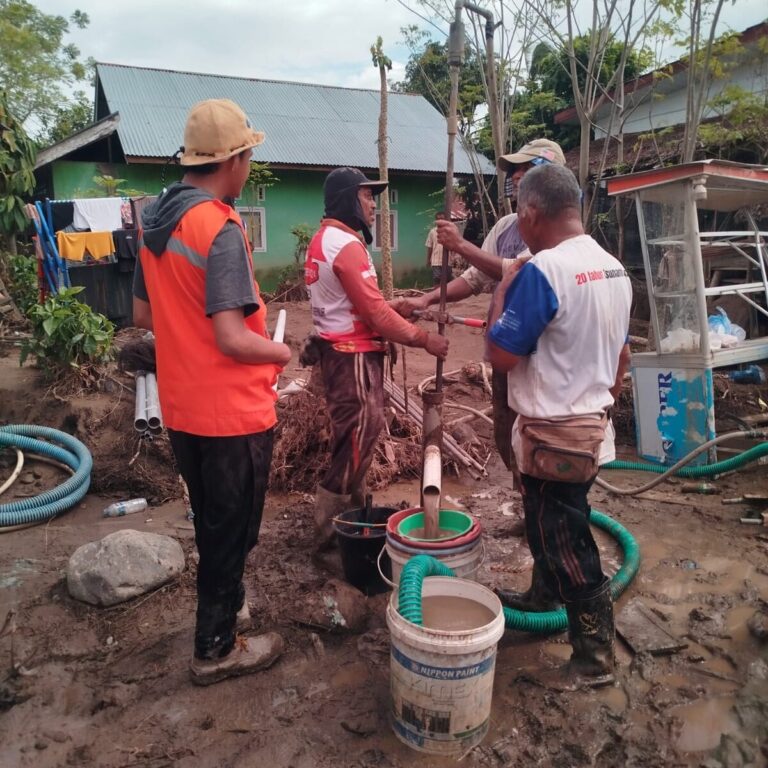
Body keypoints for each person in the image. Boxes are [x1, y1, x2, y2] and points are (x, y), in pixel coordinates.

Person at [132, 99, 290, 686]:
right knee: (234, 528)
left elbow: (143, 316)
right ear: (237, 159)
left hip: (181, 406)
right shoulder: (219, 226)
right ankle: (215, 648)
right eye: (250, 157)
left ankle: (232, 604)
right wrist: (279, 350)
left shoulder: (156, 220)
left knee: (214, 521)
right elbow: (231, 337)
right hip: (232, 412)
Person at [486, 164, 632, 684]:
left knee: (567, 542)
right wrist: (595, 402)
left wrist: (502, 293)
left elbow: (501, 356)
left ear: (529, 213)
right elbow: (622, 359)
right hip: (590, 429)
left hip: (553, 435)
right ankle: (543, 598)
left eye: (517, 215)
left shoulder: (542, 272)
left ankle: (594, 659)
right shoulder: (614, 268)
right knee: (551, 527)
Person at [392, 139, 567, 471]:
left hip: (544, 354)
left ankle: (539, 510)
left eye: (525, 169)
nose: (516, 177)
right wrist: (427, 297)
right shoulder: (505, 227)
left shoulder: (560, 232)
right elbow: (476, 278)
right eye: (513, 171)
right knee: (507, 431)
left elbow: (517, 271)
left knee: (542, 437)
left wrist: (460, 244)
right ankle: (523, 502)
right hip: (507, 348)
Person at [304, 167, 449, 549]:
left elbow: (359, 306)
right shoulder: (345, 245)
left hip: (340, 355)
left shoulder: (327, 240)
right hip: (352, 360)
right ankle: (328, 541)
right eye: (367, 197)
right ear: (349, 199)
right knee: (354, 445)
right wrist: (424, 340)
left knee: (357, 443)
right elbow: (375, 316)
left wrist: (398, 305)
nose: (373, 205)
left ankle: (351, 523)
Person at [425, 211, 447, 285]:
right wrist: (428, 260)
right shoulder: (432, 232)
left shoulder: (448, 231)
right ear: (436, 220)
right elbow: (429, 246)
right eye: (438, 219)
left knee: (447, 279)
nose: (440, 221)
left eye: (442, 219)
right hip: (436, 260)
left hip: (447, 260)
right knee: (437, 279)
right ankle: (437, 295)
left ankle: (446, 296)